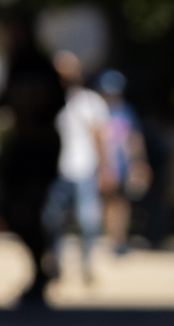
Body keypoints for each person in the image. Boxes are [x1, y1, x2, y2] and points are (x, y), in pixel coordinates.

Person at [0, 13, 64, 306]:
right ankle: (42, 263)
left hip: (40, 147)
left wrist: (35, 113)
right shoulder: (15, 64)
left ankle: (42, 269)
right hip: (21, 144)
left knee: (32, 206)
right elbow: (2, 99)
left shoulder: (42, 64)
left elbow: (58, 102)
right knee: (10, 207)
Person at [47, 51, 109, 284]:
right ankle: (55, 263)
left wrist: (105, 168)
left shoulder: (89, 101)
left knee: (88, 221)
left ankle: (87, 263)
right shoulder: (51, 102)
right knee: (53, 220)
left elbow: (99, 136)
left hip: (84, 168)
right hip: (57, 170)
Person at [97, 71, 146, 256]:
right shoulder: (97, 110)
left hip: (122, 164)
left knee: (121, 203)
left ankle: (118, 240)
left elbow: (134, 138)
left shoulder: (127, 111)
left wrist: (139, 162)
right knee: (104, 203)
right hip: (102, 165)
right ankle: (105, 238)